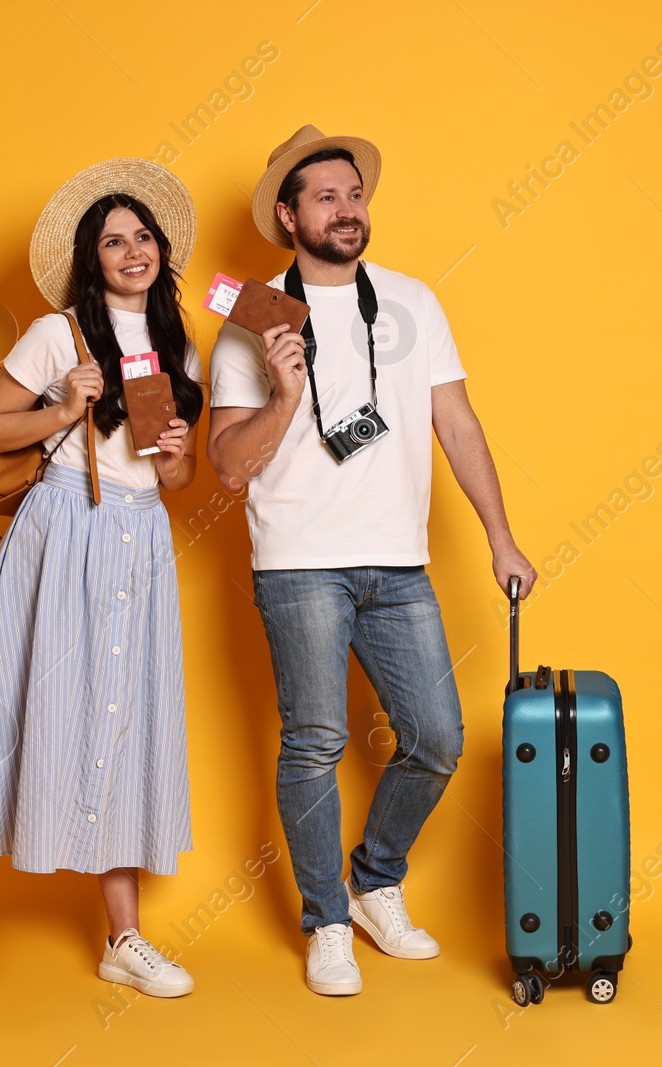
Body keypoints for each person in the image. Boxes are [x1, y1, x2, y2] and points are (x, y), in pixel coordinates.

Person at [207, 125, 537, 996]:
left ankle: (374, 881)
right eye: (326, 197)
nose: (348, 210)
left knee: (435, 737)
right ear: (288, 215)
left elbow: (457, 423)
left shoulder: (411, 302)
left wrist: (501, 536)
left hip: (399, 562)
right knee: (314, 744)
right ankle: (326, 923)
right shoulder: (251, 320)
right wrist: (283, 390)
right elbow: (228, 464)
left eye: (355, 195)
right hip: (300, 564)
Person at [0, 159, 206, 997]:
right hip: (59, 532)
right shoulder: (58, 332)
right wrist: (63, 407)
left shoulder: (177, 340)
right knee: (1, 709)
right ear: (92, 258)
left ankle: (123, 937)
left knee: (125, 716)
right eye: (113, 241)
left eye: (142, 236)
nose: (131, 250)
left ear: (160, 249)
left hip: (139, 536)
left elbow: (171, 480)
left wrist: (180, 458)